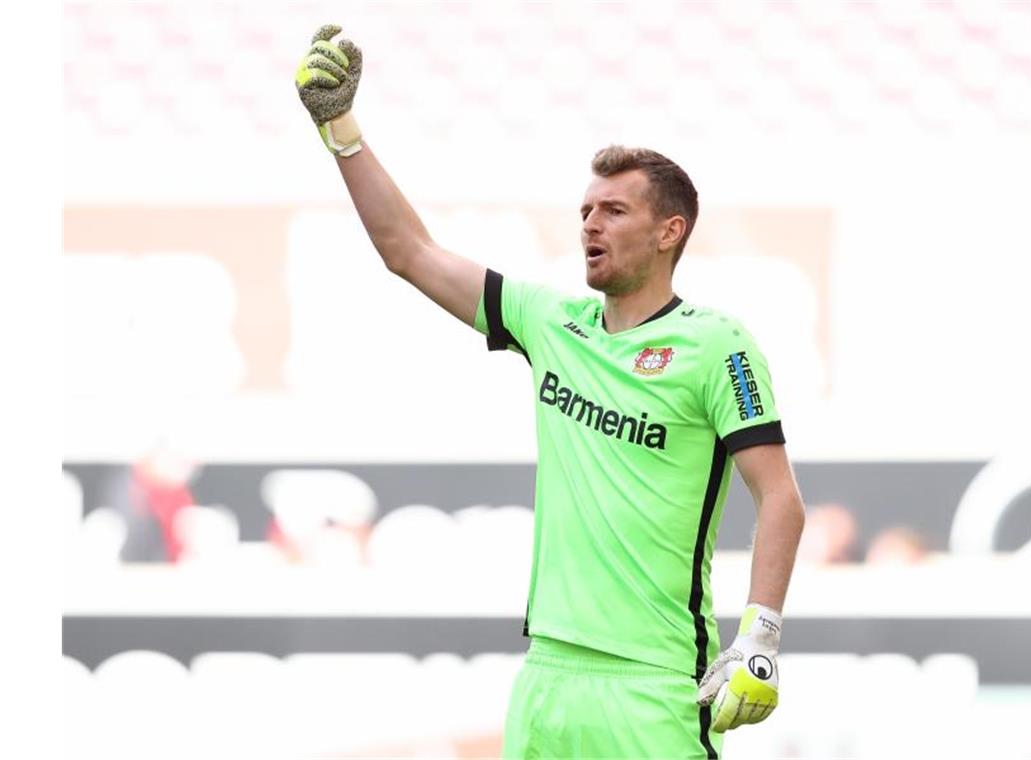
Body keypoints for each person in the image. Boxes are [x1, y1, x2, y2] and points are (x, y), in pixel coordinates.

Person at [295, 25, 806, 759]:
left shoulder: (718, 345)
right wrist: (340, 131)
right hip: (546, 680)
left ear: (670, 231)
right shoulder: (549, 321)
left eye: (614, 211)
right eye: (586, 212)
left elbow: (780, 495)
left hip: (654, 684)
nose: (591, 224)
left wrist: (760, 635)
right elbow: (407, 251)